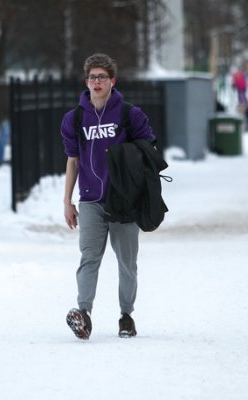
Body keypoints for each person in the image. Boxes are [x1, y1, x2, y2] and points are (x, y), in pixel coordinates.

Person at [60, 53, 156, 340]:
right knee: (89, 257)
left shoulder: (129, 115)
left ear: (113, 81)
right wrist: (67, 200)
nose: (97, 82)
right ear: (86, 81)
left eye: (102, 77)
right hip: (90, 200)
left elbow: (148, 151)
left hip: (124, 201)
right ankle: (83, 314)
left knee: (127, 262)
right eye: (92, 77)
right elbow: (72, 160)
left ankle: (126, 316)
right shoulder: (74, 118)